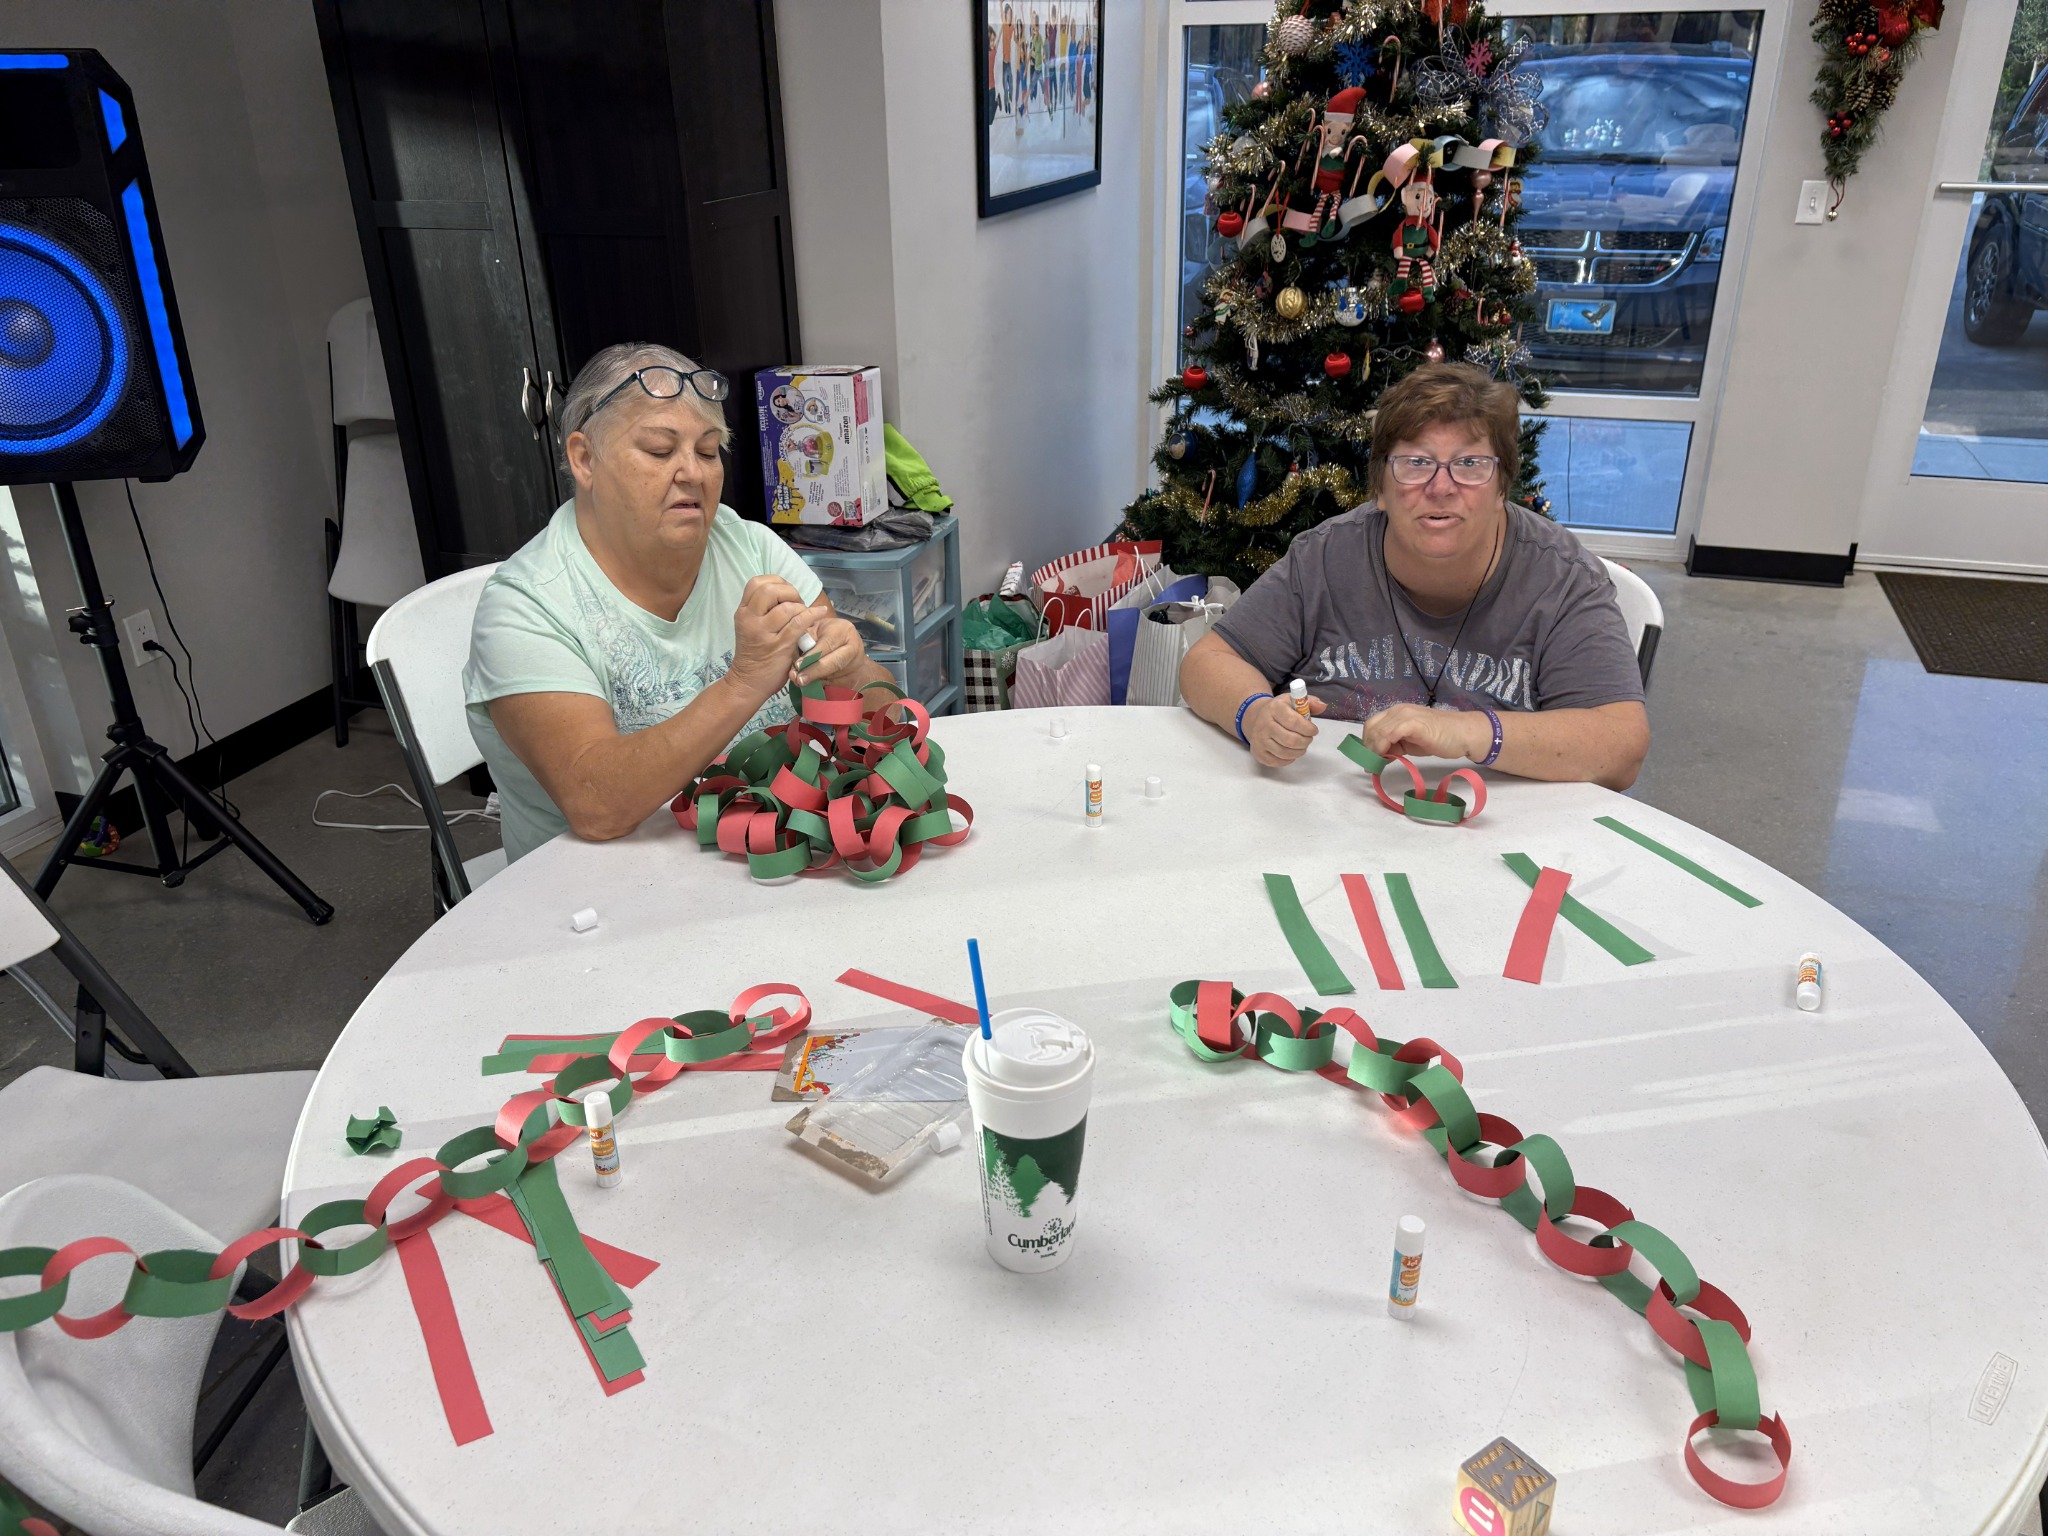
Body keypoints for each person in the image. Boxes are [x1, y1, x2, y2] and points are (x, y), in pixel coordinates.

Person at [463, 343, 892, 862]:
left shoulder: (750, 549)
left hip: (757, 859)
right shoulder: (526, 606)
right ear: (584, 459)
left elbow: (882, 712)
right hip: (592, 901)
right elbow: (596, 805)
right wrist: (743, 683)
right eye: (660, 451)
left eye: (709, 452)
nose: (693, 472)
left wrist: (853, 671)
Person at [1180, 362, 1650, 789]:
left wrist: (1467, 731)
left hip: (1493, 833)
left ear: (1502, 485)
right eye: (1416, 463)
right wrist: (1255, 714)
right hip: (1326, 818)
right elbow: (1206, 662)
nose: (1441, 487)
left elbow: (1622, 748)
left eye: (1470, 464)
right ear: (1380, 488)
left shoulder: (1562, 578)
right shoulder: (1326, 556)